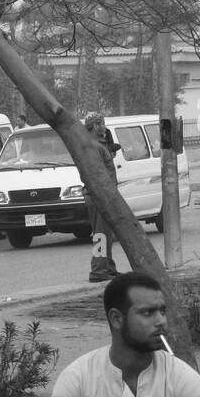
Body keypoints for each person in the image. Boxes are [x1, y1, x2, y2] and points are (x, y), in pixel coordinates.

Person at [47, 271, 200, 397]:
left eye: (162, 311)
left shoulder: (184, 379)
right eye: (147, 312)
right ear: (117, 319)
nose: (161, 321)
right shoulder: (77, 377)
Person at [82, 112, 122, 283]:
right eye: (102, 123)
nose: (105, 127)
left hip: (103, 195)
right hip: (99, 196)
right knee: (100, 234)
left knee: (107, 234)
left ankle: (108, 267)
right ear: (95, 126)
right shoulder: (93, 147)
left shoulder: (98, 145)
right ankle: (98, 270)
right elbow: (97, 175)